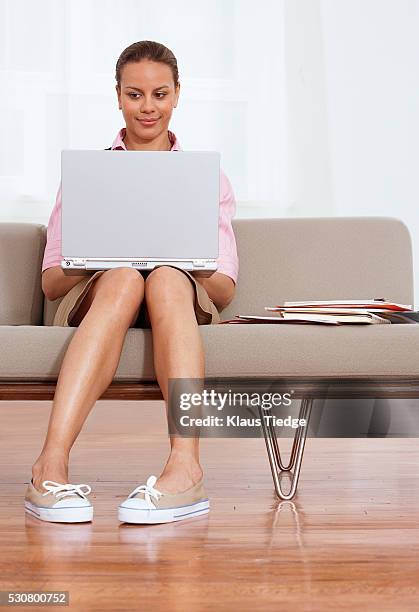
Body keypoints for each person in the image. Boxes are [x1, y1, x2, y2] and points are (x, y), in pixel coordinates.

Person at [24, 40, 239, 524]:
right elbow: (53, 282)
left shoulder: (208, 179)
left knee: (163, 277)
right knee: (124, 278)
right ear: (118, 95)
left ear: (178, 94)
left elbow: (223, 289)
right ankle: (49, 465)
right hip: (105, 292)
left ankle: (185, 467)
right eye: (135, 94)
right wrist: (102, 250)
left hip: (175, 294)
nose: (148, 107)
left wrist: (184, 253)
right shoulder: (88, 175)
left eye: (160, 94)